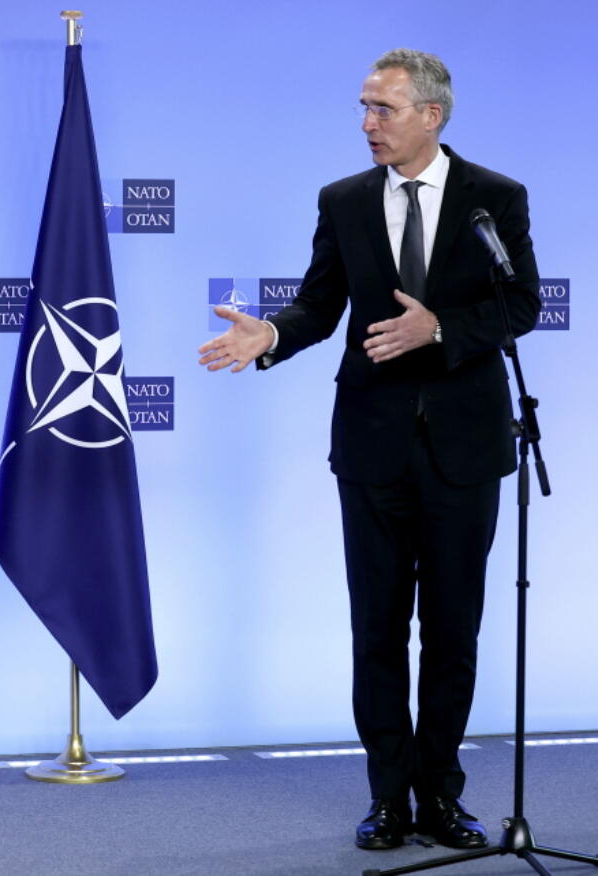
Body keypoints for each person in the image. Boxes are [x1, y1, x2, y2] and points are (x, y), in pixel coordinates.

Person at [198, 49, 539, 851]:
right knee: (377, 630)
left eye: (383, 109)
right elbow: (321, 303)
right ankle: (388, 799)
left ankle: (442, 798)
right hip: (372, 446)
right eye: (364, 107)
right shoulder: (343, 200)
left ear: (432, 115)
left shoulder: (496, 199)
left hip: (464, 444)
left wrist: (443, 327)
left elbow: (522, 302)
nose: (367, 125)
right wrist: (272, 334)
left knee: (453, 631)